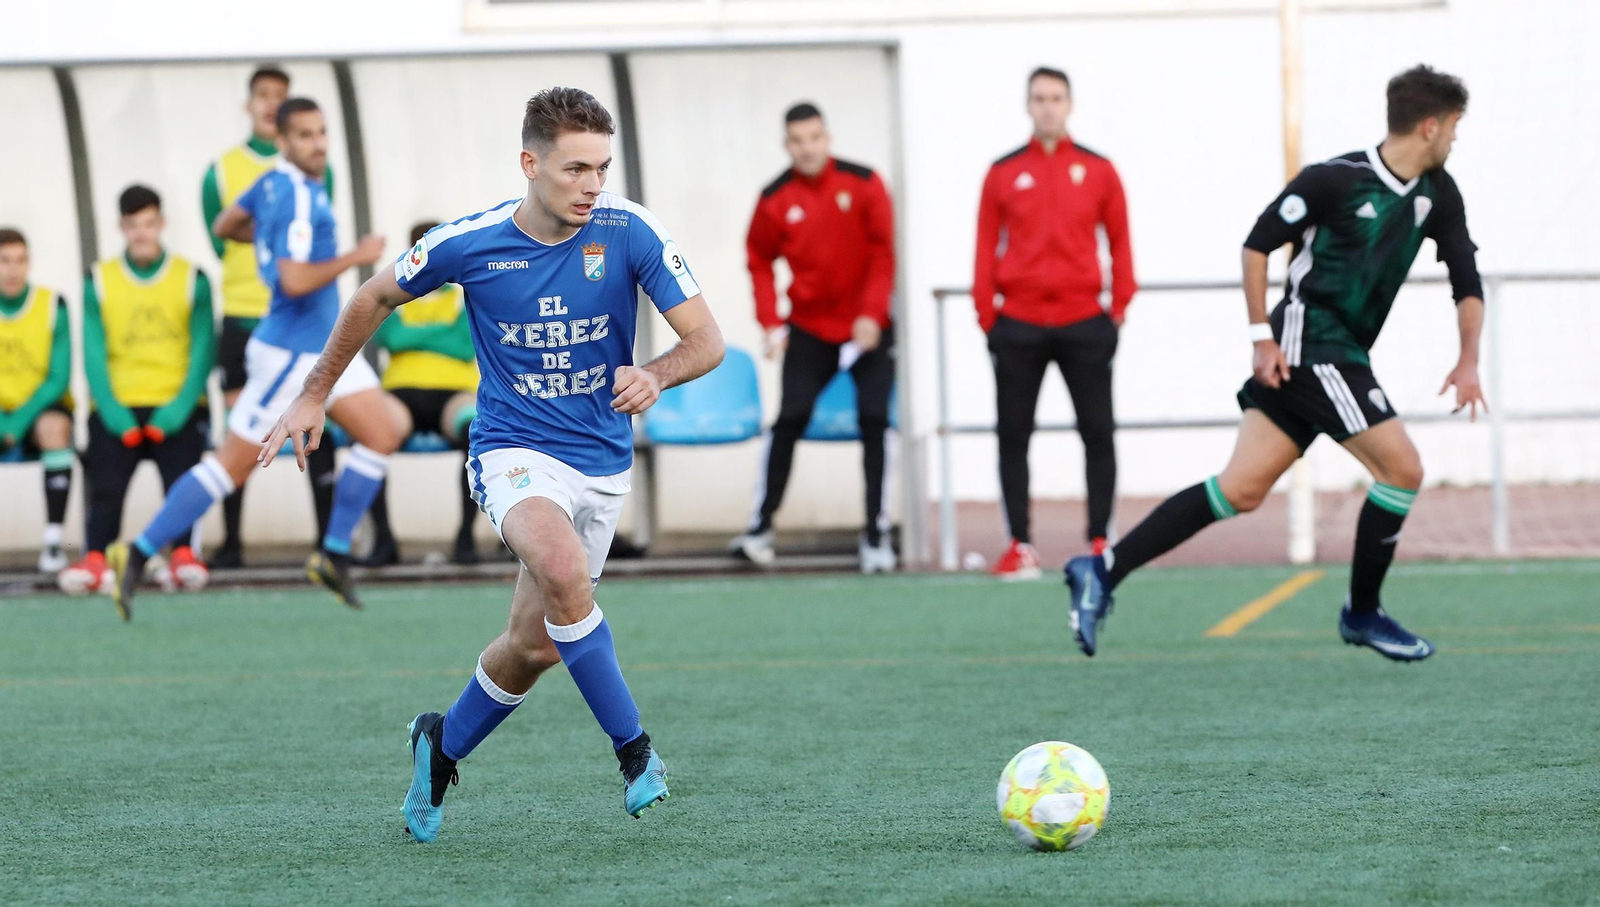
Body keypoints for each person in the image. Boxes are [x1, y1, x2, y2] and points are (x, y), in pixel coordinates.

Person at [258, 87, 724, 841]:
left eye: (602, 168)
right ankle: (636, 753)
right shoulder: (469, 241)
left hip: (602, 461)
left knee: (536, 645)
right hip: (514, 450)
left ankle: (440, 746)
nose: (592, 186)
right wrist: (315, 394)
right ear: (530, 164)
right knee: (565, 574)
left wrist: (656, 373)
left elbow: (707, 341)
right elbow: (373, 297)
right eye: (575, 169)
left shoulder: (630, 229)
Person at [1065, 65, 1485, 663]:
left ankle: (1102, 568)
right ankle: (1363, 613)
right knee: (1402, 470)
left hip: (1334, 354)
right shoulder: (1334, 179)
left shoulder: (1438, 192)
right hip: (1311, 344)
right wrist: (1260, 335)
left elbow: (1466, 280)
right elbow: (1257, 245)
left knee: (1239, 490)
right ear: (1430, 126)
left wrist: (1469, 359)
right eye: (1455, 126)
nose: (1456, 139)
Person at [105, 97, 406, 621]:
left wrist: (265, 233)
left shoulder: (273, 184)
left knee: (386, 429)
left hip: (325, 347)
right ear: (281, 141)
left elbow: (226, 224)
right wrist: (356, 258)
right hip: (289, 355)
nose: (318, 144)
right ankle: (137, 551)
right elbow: (294, 281)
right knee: (230, 468)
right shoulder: (296, 195)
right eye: (305, 135)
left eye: (322, 132)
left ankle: (333, 553)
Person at [974, 66, 1137, 580]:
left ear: (1070, 104)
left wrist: (1117, 309)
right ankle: (1020, 545)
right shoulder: (1003, 172)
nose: (1048, 107)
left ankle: (1100, 541)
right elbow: (985, 245)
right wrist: (987, 315)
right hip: (1018, 324)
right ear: (1028, 105)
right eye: (1039, 98)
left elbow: (1121, 241)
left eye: (1056, 98)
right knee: (1013, 436)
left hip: (1084, 322)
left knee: (1098, 433)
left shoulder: (1099, 169)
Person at [729, 102, 897, 573]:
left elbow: (884, 253)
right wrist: (771, 323)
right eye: (798, 141)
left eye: (814, 138)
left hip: (868, 330)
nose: (807, 148)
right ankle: (760, 529)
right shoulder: (775, 198)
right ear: (787, 145)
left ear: (828, 139)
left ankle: (876, 535)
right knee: (789, 419)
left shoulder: (865, 182)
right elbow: (758, 259)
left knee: (875, 420)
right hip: (809, 329)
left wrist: (872, 314)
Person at [201, 65, 337, 568]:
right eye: (263, 95)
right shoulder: (222, 170)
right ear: (250, 104)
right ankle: (230, 542)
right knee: (244, 433)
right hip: (246, 314)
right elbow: (222, 231)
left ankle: (330, 546)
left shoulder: (316, 167)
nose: (270, 103)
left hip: (300, 324)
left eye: (280, 95)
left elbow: (313, 240)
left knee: (319, 425)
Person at [58, 186, 215, 596]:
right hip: (119, 407)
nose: (142, 233)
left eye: (149, 223)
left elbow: (202, 352)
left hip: (177, 406)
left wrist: (176, 411)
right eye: (133, 225)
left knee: (184, 481)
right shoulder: (98, 280)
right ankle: (97, 558)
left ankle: (184, 555)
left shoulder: (193, 279)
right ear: (121, 227)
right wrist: (113, 413)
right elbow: (93, 354)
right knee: (106, 485)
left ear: (161, 224)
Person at [359, 220, 482, 567]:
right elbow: (390, 338)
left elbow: (464, 345)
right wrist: (440, 335)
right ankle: (383, 541)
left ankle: (466, 538)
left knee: (475, 434)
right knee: (373, 434)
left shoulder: (463, 296)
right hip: (401, 395)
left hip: (453, 394)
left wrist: (416, 337)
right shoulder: (395, 292)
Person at [0, 228, 74, 573]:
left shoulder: (52, 305)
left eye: (20, 260)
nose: (13, 269)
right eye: (4, 261)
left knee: (55, 427)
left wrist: (16, 423)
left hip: (36, 413)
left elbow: (58, 378)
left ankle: (54, 544)